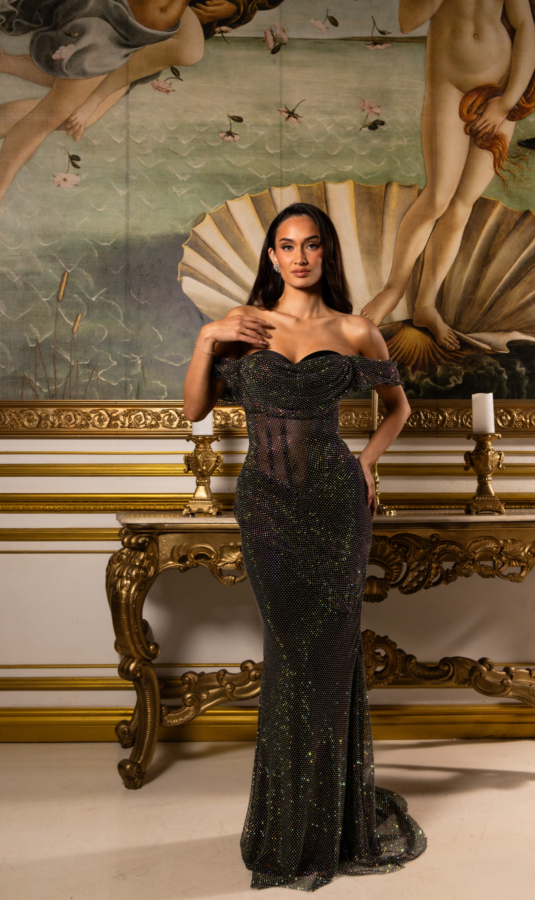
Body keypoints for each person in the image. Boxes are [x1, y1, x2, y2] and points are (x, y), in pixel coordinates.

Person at [183, 202, 425, 891]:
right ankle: (286, 827)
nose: (299, 257)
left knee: (329, 657)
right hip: (265, 509)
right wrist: (206, 338)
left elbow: (399, 408)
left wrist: (367, 463)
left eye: (311, 245)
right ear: (270, 255)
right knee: (290, 655)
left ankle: (325, 828)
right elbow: (195, 410)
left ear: (327, 255)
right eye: (286, 246)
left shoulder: (355, 331)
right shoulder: (242, 327)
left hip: (334, 508)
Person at [361, 0, 535, 351]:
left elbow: (525, 27)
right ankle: (393, 290)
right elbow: (408, 21)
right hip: (448, 85)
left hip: (499, 91)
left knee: (462, 203)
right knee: (438, 197)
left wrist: (507, 100)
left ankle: (425, 305)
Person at [0, 1, 283, 201]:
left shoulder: (189, 38)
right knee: (53, 115)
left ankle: (8, 64)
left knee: (67, 113)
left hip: (145, 36)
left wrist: (237, 6)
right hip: (110, 25)